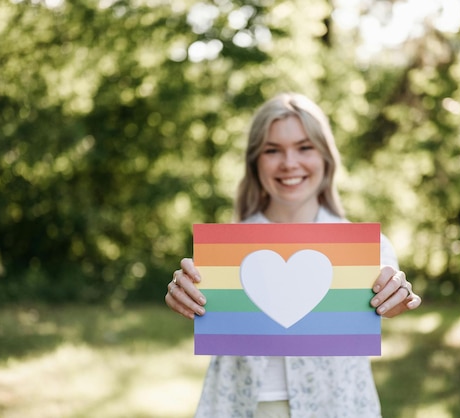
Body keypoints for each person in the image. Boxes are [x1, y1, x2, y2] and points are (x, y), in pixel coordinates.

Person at [165, 92, 422, 418]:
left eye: (304, 147)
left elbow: (389, 303)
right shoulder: (226, 249)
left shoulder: (367, 248)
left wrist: (396, 298)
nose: (289, 163)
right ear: (255, 162)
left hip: (337, 408)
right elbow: (206, 308)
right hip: (240, 407)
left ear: (326, 158)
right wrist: (182, 293)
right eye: (272, 150)